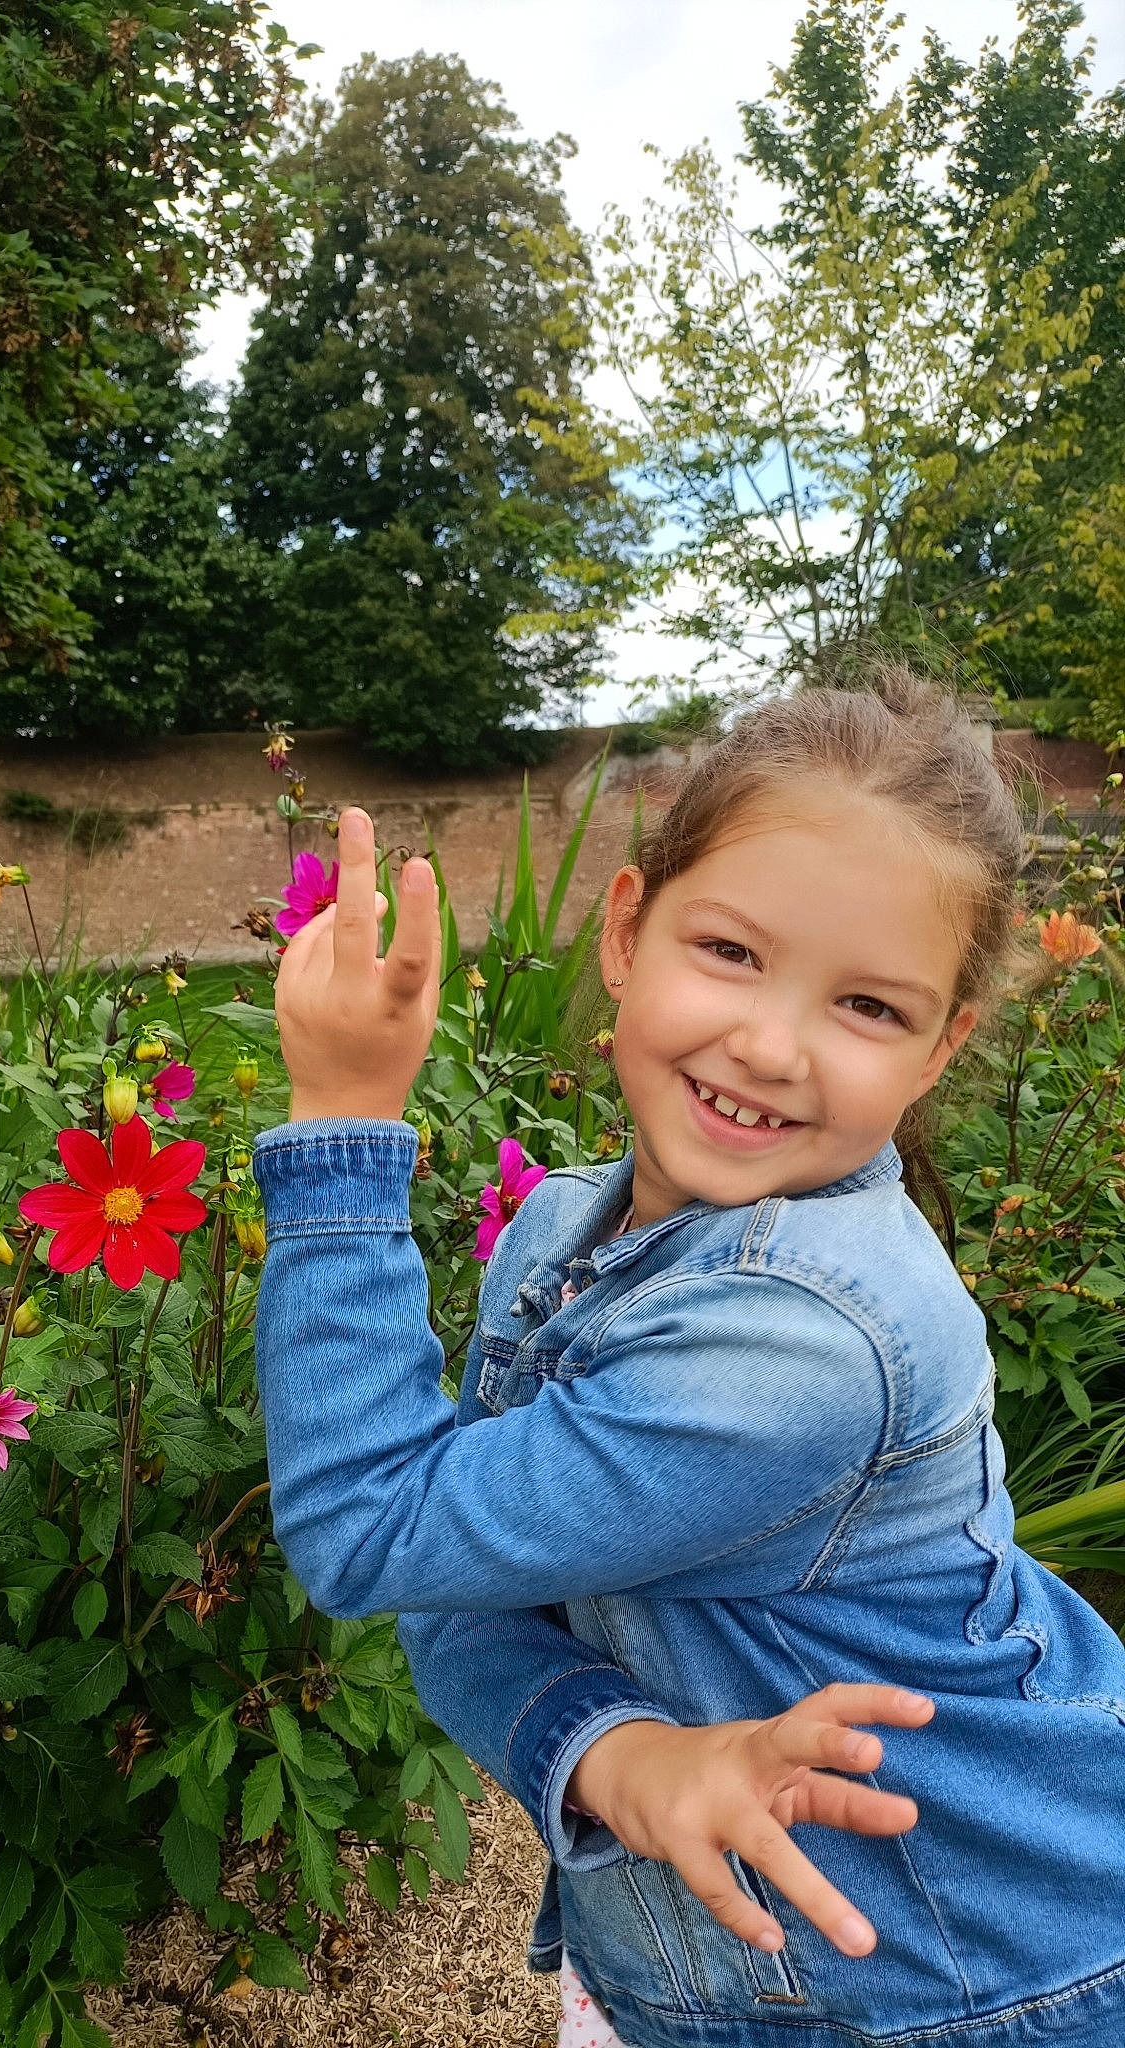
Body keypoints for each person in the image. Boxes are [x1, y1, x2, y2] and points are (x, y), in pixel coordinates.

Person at [250, 673, 1125, 2048]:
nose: (770, 1045)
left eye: (871, 1009)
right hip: (710, 1962)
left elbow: (370, 1529)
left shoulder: (809, 1337)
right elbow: (455, 1592)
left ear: (943, 1049)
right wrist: (614, 1750)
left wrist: (346, 1124)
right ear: (626, 928)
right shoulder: (561, 1227)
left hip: (961, 1985)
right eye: (729, 952)